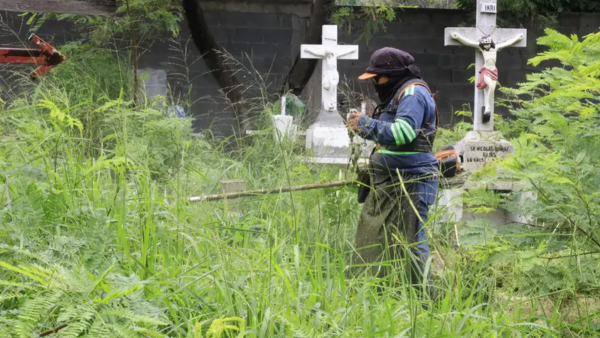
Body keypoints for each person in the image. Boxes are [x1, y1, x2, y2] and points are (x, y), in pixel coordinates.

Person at [346, 47, 439, 295]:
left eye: (378, 77)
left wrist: (365, 123)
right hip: (390, 180)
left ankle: (425, 301)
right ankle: (378, 294)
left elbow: (403, 133)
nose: (375, 83)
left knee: (411, 242)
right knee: (376, 238)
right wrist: (364, 128)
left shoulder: (412, 93)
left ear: (393, 74)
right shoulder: (400, 93)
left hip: (411, 181)